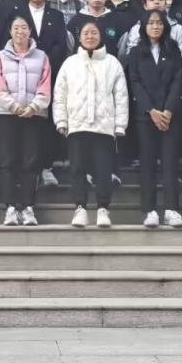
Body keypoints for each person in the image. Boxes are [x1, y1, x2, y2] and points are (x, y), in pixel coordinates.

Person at [53, 18, 129, 228]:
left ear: (101, 36)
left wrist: (120, 125)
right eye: (86, 33)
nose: (90, 36)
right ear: (79, 38)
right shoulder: (70, 63)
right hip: (77, 125)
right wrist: (61, 119)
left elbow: (121, 96)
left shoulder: (112, 63)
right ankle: (80, 208)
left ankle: (103, 208)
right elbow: (60, 94)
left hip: (104, 127)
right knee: (77, 168)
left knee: (103, 169)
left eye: (94, 32)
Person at [0, 15, 52, 227]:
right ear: (10, 32)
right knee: (7, 161)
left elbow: (45, 87)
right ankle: (10, 207)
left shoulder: (42, 56)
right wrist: (14, 107)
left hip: (34, 115)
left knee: (30, 161)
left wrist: (33, 107)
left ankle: (28, 207)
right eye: (16, 28)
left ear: (30, 31)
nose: (20, 31)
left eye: (24, 27)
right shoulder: (0, 57)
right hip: (6, 115)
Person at [12, 0, 71, 188]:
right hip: (20, 77)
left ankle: (46, 167)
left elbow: (60, 45)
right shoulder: (16, 14)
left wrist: (43, 66)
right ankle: (24, 169)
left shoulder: (56, 15)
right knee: (22, 122)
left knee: (45, 123)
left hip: (48, 75)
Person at [127, 10, 182, 228]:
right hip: (146, 116)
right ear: (144, 26)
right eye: (151, 23)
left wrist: (168, 110)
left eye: (159, 23)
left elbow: (178, 80)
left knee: (170, 162)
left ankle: (172, 209)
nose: (155, 26)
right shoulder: (136, 52)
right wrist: (151, 110)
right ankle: (150, 210)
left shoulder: (173, 49)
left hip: (170, 116)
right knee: (148, 163)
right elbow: (135, 82)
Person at [118, 0, 182, 61]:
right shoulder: (136, 29)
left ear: (165, 5)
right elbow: (131, 55)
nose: (156, 2)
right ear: (145, 6)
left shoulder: (178, 29)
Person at [67, 0, 134, 57]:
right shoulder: (75, 20)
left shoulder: (117, 20)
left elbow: (122, 51)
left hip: (109, 63)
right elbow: (69, 48)